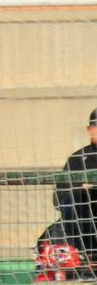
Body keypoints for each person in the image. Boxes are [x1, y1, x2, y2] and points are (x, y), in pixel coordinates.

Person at [53, 108, 97, 264]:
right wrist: (81, 189)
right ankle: (86, 258)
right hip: (85, 223)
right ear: (89, 129)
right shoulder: (77, 159)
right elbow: (58, 198)